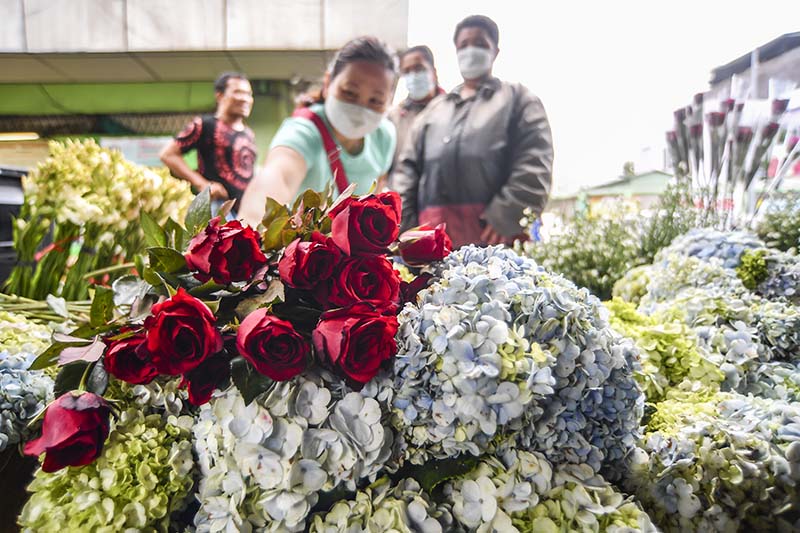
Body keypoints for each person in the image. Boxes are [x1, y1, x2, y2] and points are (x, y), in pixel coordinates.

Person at [391, 15, 553, 248]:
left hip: (496, 245)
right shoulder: (434, 110)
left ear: (495, 51)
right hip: (433, 248)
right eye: (464, 45)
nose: (471, 50)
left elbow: (535, 160)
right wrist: (408, 228)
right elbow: (406, 170)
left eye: (480, 43)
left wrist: (506, 215)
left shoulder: (517, 99)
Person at [239, 37, 398, 226]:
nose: (360, 108)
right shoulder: (303, 132)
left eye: (376, 101)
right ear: (328, 83)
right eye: (349, 92)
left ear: (390, 100)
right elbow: (276, 177)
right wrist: (249, 229)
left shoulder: (384, 136)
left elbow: (376, 195)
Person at [160, 72, 257, 216]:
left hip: (244, 212)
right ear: (220, 95)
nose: (245, 99)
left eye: (248, 94)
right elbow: (168, 154)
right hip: (218, 209)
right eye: (238, 92)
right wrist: (203, 185)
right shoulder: (205, 125)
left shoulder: (249, 134)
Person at [387, 45, 443, 182]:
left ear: (434, 72)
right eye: (406, 71)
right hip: (402, 197)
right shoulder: (393, 118)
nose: (413, 76)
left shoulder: (452, 111)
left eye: (419, 69)